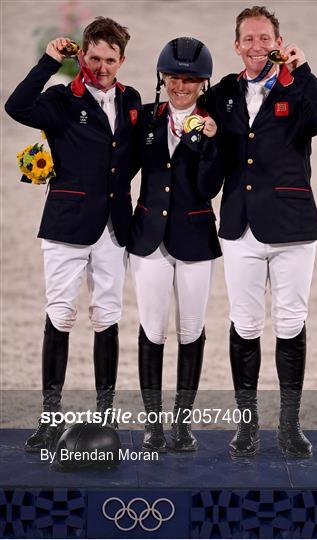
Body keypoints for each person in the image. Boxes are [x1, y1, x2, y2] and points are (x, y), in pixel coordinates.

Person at [204, 6, 317, 458]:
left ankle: (289, 426)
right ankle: (247, 426)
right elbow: (210, 160)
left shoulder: (299, 89)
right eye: (248, 39)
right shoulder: (223, 93)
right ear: (236, 45)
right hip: (239, 225)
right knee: (245, 325)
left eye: (264, 38)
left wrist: (303, 71)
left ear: (278, 43)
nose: (256, 46)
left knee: (290, 322)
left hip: (291, 225)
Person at [5, 17, 141, 452]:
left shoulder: (133, 99)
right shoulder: (62, 99)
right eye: (94, 58)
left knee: (107, 316)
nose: (101, 67)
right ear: (82, 56)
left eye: (110, 60)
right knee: (61, 315)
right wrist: (49, 61)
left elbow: (135, 153)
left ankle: (106, 415)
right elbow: (17, 106)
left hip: (114, 225)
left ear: (122, 60)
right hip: (66, 223)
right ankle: (50, 417)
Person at [127, 37, 222, 452]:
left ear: (202, 83)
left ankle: (182, 425)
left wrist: (206, 143)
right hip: (148, 236)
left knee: (190, 330)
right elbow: (118, 165)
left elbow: (209, 186)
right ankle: (153, 424)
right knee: (151, 328)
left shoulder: (213, 123)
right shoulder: (146, 118)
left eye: (190, 80)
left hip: (196, 237)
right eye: (173, 78)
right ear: (162, 78)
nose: (180, 86)